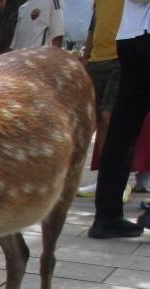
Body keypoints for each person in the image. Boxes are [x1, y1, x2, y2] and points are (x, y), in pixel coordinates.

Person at [88, 0, 149, 238]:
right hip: (143, 35)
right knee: (122, 129)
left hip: (129, 37)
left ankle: (107, 215)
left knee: (122, 129)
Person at [77, 0, 145, 201]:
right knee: (92, 121)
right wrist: (86, 57)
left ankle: (116, 184)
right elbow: (94, 23)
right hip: (97, 60)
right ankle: (100, 179)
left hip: (120, 56)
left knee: (110, 119)